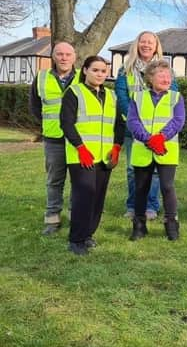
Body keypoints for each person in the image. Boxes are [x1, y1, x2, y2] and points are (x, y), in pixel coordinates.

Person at [60, 56, 125, 255]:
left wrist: (116, 146)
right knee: (84, 196)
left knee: (98, 197)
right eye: (95, 70)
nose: (99, 74)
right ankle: (76, 239)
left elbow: (119, 124)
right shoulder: (74, 92)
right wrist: (80, 147)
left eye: (103, 71)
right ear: (85, 70)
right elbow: (66, 123)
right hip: (82, 156)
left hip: (104, 157)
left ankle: (88, 235)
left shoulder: (112, 96)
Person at [115, 31, 179, 221]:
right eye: (143, 41)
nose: (146, 45)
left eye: (150, 42)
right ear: (137, 44)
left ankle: (151, 206)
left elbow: (172, 98)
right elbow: (122, 98)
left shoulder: (167, 69)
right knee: (133, 169)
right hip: (133, 128)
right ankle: (133, 205)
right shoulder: (125, 69)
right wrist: (138, 123)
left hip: (159, 131)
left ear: (156, 46)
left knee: (157, 171)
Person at [127, 60, 185, 241]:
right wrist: (148, 138)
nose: (166, 79)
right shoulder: (137, 97)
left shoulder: (176, 97)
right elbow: (132, 121)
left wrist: (161, 137)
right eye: (161, 75)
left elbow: (178, 121)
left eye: (169, 76)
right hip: (143, 149)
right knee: (141, 188)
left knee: (167, 187)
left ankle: (171, 224)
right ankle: (139, 225)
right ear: (150, 78)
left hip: (166, 149)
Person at [29, 42, 81, 235]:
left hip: (78, 139)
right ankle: (52, 219)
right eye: (59, 54)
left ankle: (77, 216)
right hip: (54, 138)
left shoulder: (83, 78)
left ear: (74, 57)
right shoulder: (41, 77)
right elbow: (35, 106)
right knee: (54, 181)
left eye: (68, 54)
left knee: (79, 181)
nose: (64, 58)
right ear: (53, 57)